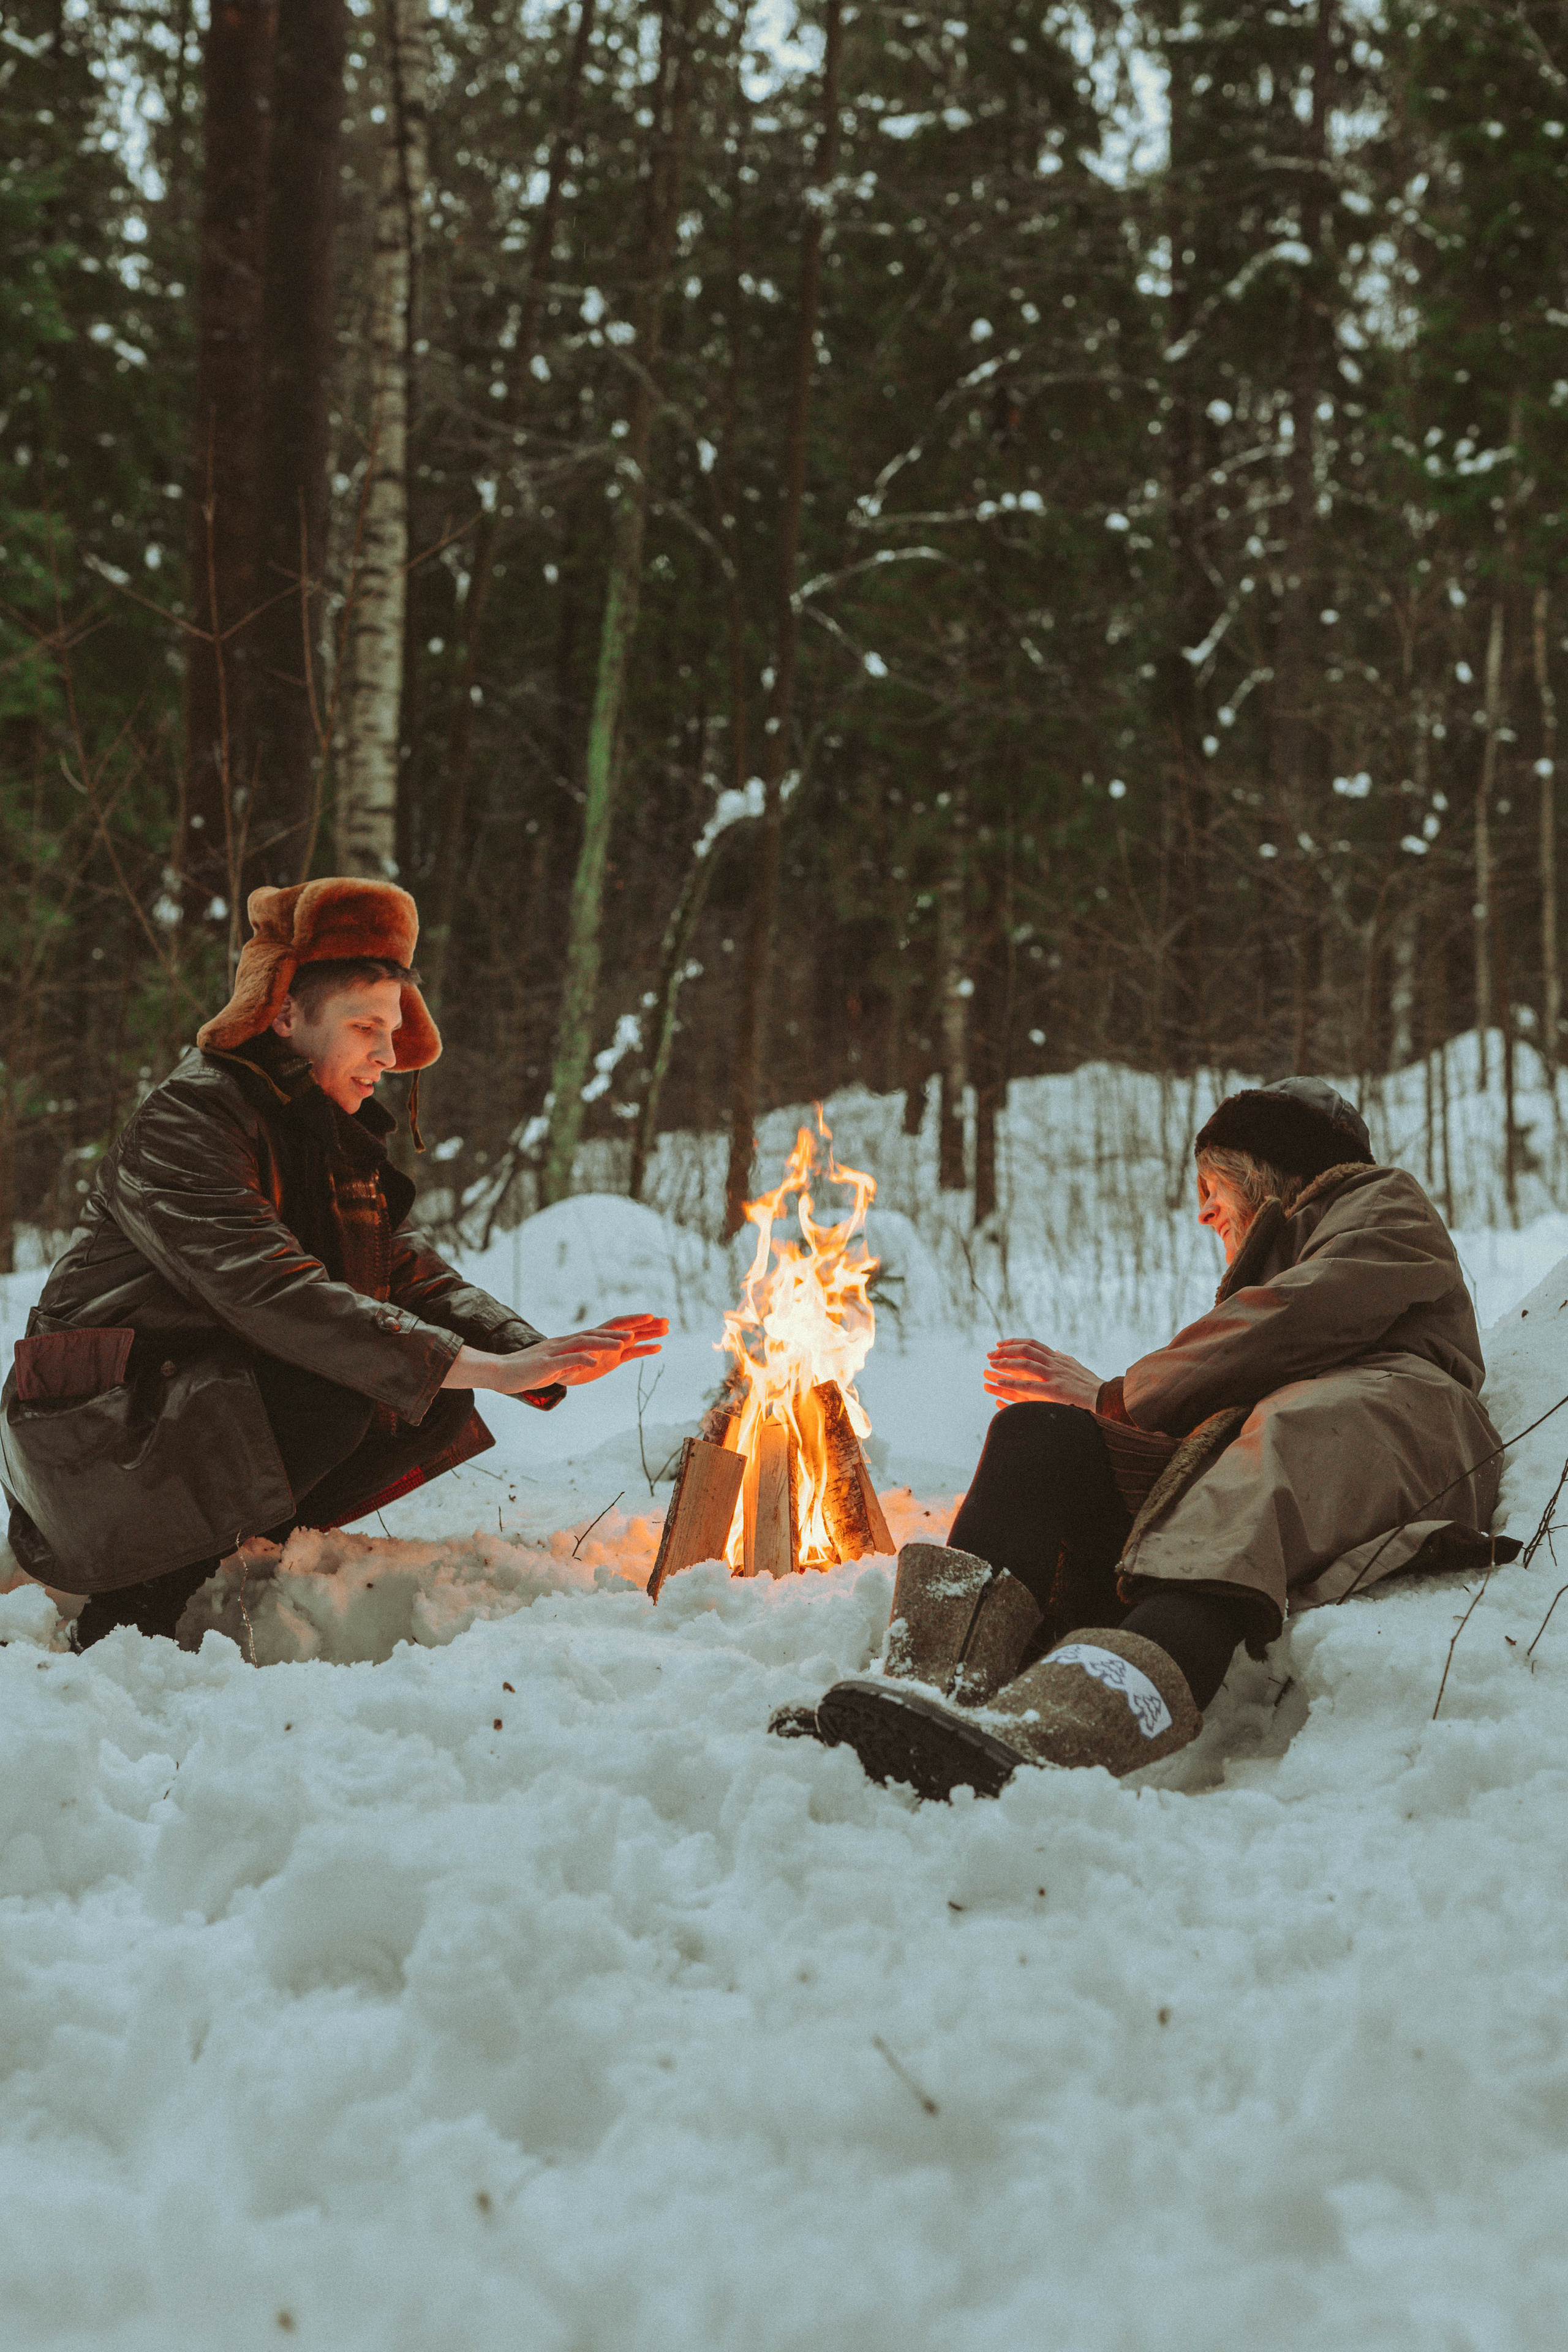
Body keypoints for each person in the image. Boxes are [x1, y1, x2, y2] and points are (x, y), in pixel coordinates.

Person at [792, 1077, 1513, 1800]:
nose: (1202, 1211)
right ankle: (925, 1692)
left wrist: (1120, 1396)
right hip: (1279, 1445)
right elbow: (1250, 1361)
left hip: (1391, 1424)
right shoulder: (1276, 1301)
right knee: (1039, 1434)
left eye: (1212, 1184)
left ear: (1269, 1170)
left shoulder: (1383, 1202)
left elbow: (1300, 1316)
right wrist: (1103, 1414)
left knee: (1242, 1494)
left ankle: (1046, 1737)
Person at [1, 877, 666, 1648]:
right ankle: (132, 1611)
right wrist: (467, 1363)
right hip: (89, 1441)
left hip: (168, 1410)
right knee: (347, 1386)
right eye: (364, 1026)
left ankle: (230, 1547)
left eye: (391, 1029)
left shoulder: (316, 1127)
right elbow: (273, 1291)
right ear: (283, 1015)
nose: (388, 1054)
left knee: (426, 1393)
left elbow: (403, 1272)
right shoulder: (190, 1120)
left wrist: (527, 1354)